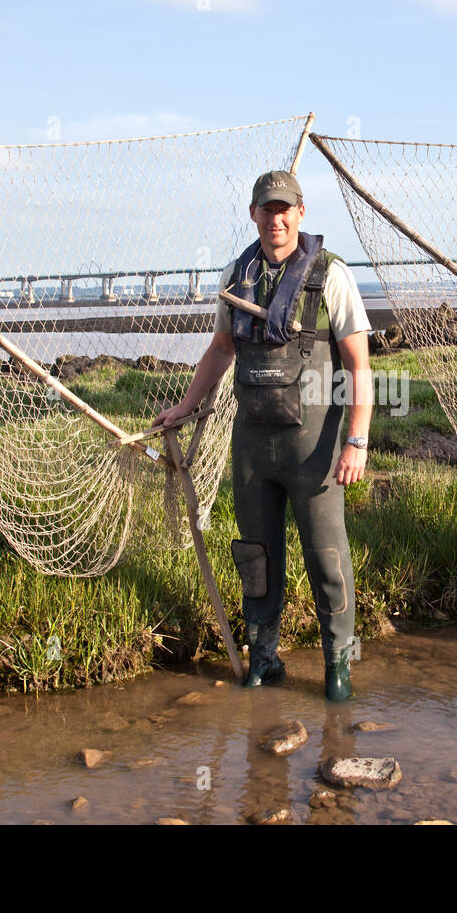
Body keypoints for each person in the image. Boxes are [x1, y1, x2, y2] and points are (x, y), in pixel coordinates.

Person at [153, 170, 372, 701]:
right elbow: (221, 350)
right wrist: (185, 405)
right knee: (256, 556)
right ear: (253, 215)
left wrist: (356, 440)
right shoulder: (236, 275)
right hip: (251, 446)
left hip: (314, 447)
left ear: (300, 214)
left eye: (284, 209)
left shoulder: (330, 275)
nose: (275, 219)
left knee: (327, 556)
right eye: (265, 210)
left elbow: (358, 366)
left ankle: (337, 667)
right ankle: (264, 659)